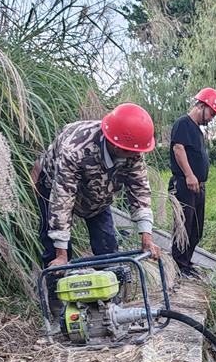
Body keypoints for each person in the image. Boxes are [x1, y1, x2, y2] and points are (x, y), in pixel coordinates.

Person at [33, 103, 161, 272]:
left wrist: (146, 237)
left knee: (107, 247)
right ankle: (55, 291)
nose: (136, 156)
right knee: (55, 252)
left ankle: (107, 294)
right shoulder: (75, 149)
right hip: (54, 186)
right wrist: (61, 255)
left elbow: (140, 190)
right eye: (131, 153)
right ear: (117, 146)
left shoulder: (133, 150)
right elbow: (62, 199)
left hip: (98, 192)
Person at [169, 87, 216, 277]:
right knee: (183, 226)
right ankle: (178, 265)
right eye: (211, 114)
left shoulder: (197, 131)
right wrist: (190, 175)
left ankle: (186, 262)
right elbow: (178, 149)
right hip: (184, 184)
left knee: (196, 229)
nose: (211, 119)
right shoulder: (183, 124)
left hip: (197, 187)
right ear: (201, 106)